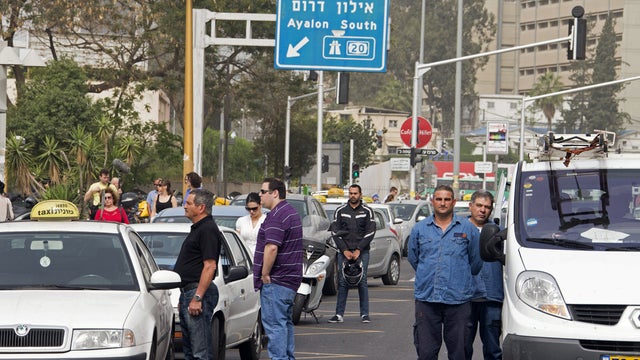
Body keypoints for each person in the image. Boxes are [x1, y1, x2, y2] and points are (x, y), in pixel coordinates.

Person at [408, 185, 482, 360]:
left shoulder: (467, 228)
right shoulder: (419, 229)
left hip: (458, 300)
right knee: (426, 353)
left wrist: (459, 278)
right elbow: (414, 259)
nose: (443, 203)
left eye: (447, 199)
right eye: (439, 199)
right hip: (427, 299)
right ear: (432, 201)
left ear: (454, 202)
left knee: (459, 353)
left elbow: (476, 262)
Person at [253, 178, 303, 360]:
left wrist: (264, 273)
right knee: (284, 323)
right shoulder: (290, 212)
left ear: (275, 193)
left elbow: (272, 247)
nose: (260, 195)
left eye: (262, 191)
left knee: (275, 325)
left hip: (277, 280)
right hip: (289, 280)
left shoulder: (276, 216)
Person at [173, 188, 222, 360]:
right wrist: (184, 297)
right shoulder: (198, 228)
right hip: (188, 292)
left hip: (197, 292)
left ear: (201, 208)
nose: (184, 206)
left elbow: (210, 266)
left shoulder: (207, 229)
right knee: (190, 350)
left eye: (188, 203)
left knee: (200, 352)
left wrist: (197, 297)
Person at [328, 184, 376, 324]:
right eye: (350, 193)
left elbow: (371, 232)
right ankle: (338, 314)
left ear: (360, 194)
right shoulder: (340, 211)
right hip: (344, 252)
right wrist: (345, 250)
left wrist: (359, 250)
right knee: (342, 282)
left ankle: (365, 314)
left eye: (355, 193)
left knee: (362, 281)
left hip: (362, 252)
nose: (352, 196)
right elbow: (335, 232)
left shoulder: (367, 211)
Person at [465, 191, 503, 360]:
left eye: (487, 207)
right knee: (462, 348)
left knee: (493, 349)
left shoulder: (500, 233)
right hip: (465, 298)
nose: (482, 210)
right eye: (479, 205)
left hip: (492, 298)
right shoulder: (458, 229)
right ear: (471, 206)